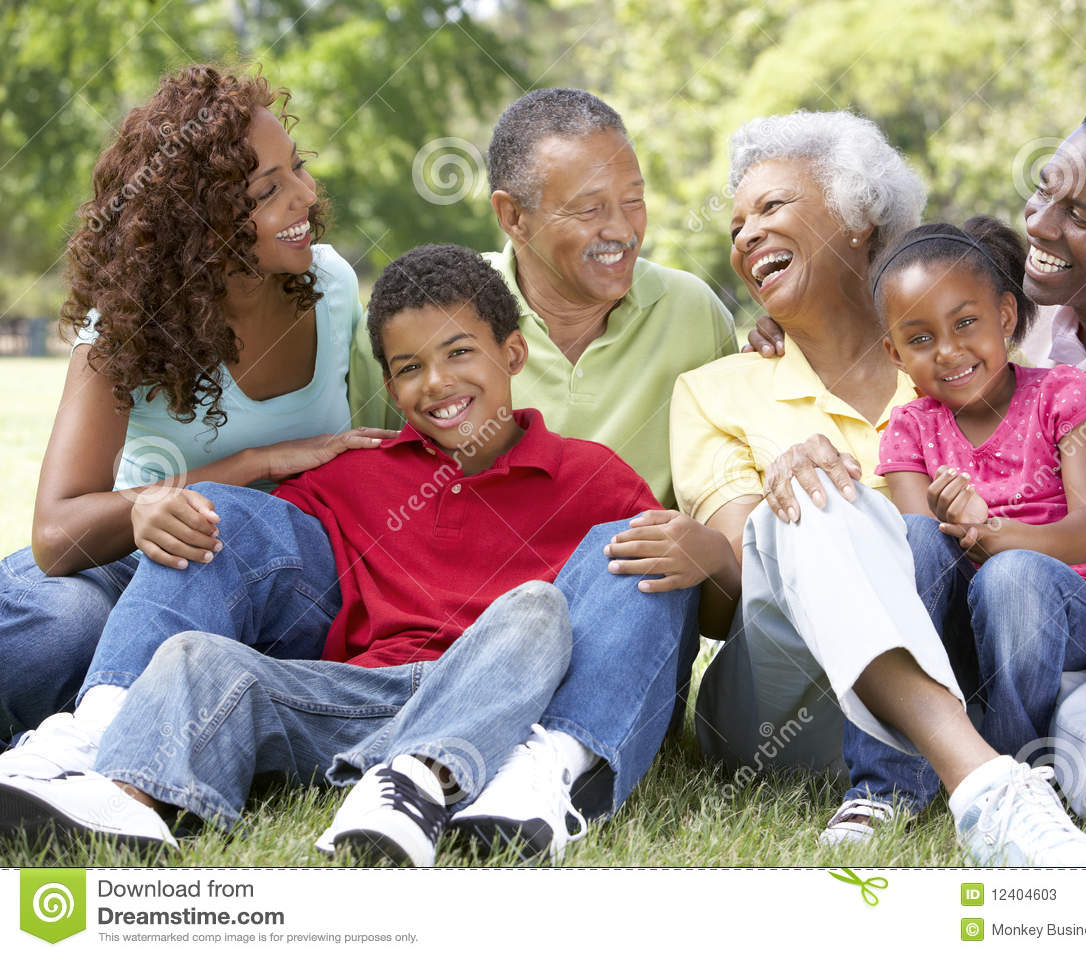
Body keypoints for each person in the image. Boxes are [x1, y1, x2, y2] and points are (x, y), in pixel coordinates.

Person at [0, 244, 716, 865]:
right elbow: (245, 552)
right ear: (391, 383)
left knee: (610, 566)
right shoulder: (358, 474)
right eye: (409, 367)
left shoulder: (590, 475)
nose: (436, 384)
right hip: (357, 703)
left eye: (460, 351)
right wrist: (171, 496)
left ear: (513, 353)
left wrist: (706, 545)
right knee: (203, 601)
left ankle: (535, 780)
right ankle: (120, 779)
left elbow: (662, 621)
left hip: (520, 716)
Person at [749, 102, 1086, 864]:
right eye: (1045, 191)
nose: (1040, 223)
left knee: (1025, 598)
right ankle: (911, 779)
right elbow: (939, 287)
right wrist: (791, 319)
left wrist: (1002, 540)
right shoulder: (1048, 313)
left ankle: (1051, 778)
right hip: (990, 632)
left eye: (1078, 214)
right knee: (893, 535)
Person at [665, 110, 1086, 865]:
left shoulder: (968, 363)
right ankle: (983, 780)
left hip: (971, 682)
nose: (744, 234)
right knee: (817, 492)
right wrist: (800, 481)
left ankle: (973, 767)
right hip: (789, 702)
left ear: (859, 218)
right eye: (736, 223)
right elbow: (746, 581)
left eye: (772, 207)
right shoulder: (717, 388)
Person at [0, 65, 395, 748]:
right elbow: (57, 533)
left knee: (184, 648)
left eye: (296, 169)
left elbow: (378, 450)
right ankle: (86, 723)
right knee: (58, 626)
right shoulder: (129, 324)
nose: (305, 196)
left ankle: (91, 724)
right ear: (202, 227)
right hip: (125, 562)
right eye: (270, 191)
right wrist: (247, 464)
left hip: (267, 579)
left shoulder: (331, 287)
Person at [349, 88, 737, 509]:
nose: (622, 231)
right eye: (589, 210)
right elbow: (368, 484)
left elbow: (735, 472)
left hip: (638, 571)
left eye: (633, 201)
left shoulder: (693, 312)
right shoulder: (418, 319)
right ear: (513, 216)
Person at [870, 216, 1086, 768]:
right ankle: (895, 776)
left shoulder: (1062, 395)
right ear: (894, 354)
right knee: (909, 535)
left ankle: (1016, 767)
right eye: (919, 339)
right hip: (965, 623)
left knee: (1012, 574)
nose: (947, 350)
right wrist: (956, 521)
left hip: (1061, 612)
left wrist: (1004, 537)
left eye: (966, 323)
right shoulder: (910, 428)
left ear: (1005, 316)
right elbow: (923, 551)